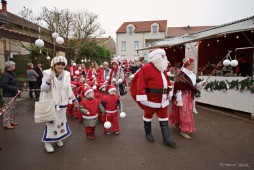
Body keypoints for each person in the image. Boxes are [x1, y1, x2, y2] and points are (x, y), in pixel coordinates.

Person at [130, 49, 176, 147]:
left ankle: (166, 139)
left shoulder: (163, 68)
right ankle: (148, 134)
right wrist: (143, 97)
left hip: (163, 99)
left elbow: (168, 82)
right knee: (147, 117)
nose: (165, 58)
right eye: (162, 56)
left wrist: (170, 91)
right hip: (151, 100)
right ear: (156, 57)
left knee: (164, 118)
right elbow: (141, 83)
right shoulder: (146, 68)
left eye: (165, 56)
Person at [40, 56, 79, 153]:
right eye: (58, 64)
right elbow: (44, 89)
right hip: (51, 103)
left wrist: (75, 100)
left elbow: (68, 88)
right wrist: (49, 79)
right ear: (54, 65)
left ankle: (57, 138)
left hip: (63, 103)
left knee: (61, 122)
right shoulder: (47, 73)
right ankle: (47, 142)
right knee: (51, 123)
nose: (60, 66)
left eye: (62, 64)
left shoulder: (66, 74)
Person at [169, 57, 206, 140]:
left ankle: (179, 125)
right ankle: (183, 130)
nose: (193, 65)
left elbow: (194, 87)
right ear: (187, 64)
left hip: (189, 96)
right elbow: (178, 87)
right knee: (184, 112)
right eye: (192, 64)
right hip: (182, 96)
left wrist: (201, 84)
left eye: (193, 64)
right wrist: (179, 100)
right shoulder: (181, 75)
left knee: (185, 112)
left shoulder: (193, 75)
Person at [1, 61, 20, 129]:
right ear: (9, 66)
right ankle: (6, 123)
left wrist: (18, 88)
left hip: (13, 94)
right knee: (7, 109)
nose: (14, 67)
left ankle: (10, 121)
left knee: (11, 108)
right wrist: (15, 89)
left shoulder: (11, 74)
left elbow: (14, 83)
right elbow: (4, 85)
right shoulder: (6, 74)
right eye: (13, 65)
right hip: (8, 95)